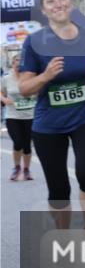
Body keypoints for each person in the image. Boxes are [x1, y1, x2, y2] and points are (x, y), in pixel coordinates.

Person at [17, 0, 85, 229]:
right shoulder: (34, 41)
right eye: (51, 1)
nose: (58, 4)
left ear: (71, 2)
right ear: (43, 9)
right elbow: (24, 88)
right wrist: (45, 76)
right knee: (58, 188)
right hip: (49, 124)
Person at [2, 53, 35, 181]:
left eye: (22, 60)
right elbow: (1, 91)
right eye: (16, 60)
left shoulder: (31, 77)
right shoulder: (6, 78)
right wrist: (4, 99)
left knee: (27, 145)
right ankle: (16, 167)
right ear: (12, 63)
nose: (19, 62)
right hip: (12, 116)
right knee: (18, 142)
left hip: (30, 116)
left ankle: (26, 169)